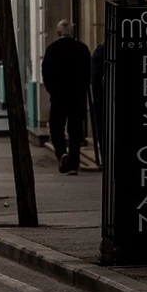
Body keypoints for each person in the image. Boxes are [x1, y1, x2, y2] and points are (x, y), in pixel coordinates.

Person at [42, 20, 93, 175]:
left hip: (59, 97)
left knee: (56, 128)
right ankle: (73, 164)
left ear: (58, 33)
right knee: (75, 130)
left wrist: (52, 91)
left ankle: (62, 153)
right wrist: (82, 88)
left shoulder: (52, 49)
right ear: (72, 32)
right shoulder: (82, 49)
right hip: (77, 97)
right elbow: (88, 73)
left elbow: (46, 73)